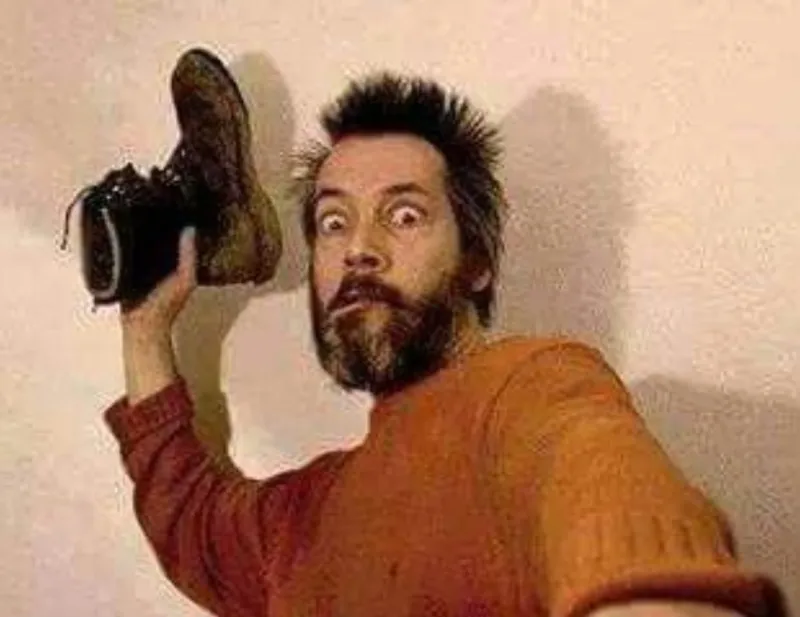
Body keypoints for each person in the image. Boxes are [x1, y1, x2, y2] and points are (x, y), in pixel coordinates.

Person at [106, 73, 784, 617]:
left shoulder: (528, 391)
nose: (359, 248)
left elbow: (607, 491)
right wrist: (145, 326)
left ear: (475, 262)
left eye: (404, 214)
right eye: (333, 222)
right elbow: (190, 517)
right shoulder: (302, 516)